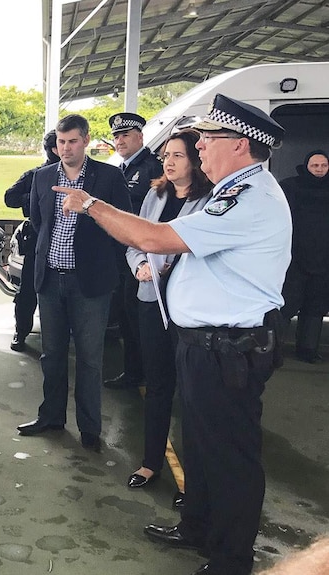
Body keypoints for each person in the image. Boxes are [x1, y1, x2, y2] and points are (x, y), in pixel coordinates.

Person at [56, 94, 290, 575]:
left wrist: (92, 206)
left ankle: (230, 559)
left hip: (229, 348)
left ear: (241, 145)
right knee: (201, 447)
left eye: (209, 138)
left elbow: (155, 239)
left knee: (230, 458)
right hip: (203, 343)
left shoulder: (251, 198)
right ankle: (198, 528)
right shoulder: (231, 191)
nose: (199, 145)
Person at [15, 114, 132, 451]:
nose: (65, 148)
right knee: (51, 355)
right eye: (60, 142)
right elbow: (39, 223)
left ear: (86, 141)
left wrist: (90, 214)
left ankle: (90, 428)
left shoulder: (108, 177)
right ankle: (51, 416)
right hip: (50, 280)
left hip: (90, 284)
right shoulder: (42, 177)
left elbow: (121, 226)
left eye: (72, 142)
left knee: (90, 358)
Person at [122, 128, 212, 510]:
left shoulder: (210, 199)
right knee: (158, 387)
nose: (169, 162)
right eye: (166, 157)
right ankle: (150, 463)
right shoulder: (156, 194)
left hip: (190, 311)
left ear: (195, 159)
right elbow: (134, 239)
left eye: (177, 155)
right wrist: (140, 264)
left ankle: (194, 479)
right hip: (151, 302)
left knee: (193, 397)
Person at [105, 112, 163, 390]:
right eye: (116, 136)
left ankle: (147, 374)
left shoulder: (152, 168)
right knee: (127, 316)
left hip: (141, 253)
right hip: (122, 251)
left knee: (139, 317)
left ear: (140, 136)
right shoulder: (122, 168)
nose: (119, 140)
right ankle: (134, 370)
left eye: (125, 135)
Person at [4, 129, 59, 351]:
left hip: (65, 241)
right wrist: (36, 197)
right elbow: (10, 197)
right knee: (27, 291)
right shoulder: (35, 174)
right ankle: (21, 332)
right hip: (37, 238)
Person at [279, 149, 329, 363]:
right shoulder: (290, 188)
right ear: (306, 166)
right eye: (315, 166)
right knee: (285, 306)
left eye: (323, 166)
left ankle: (308, 350)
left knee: (315, 307)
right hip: (294, 259)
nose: (319, 170)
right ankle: (272, 351)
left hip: (324, 260)